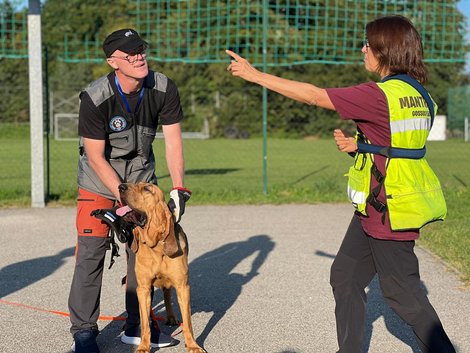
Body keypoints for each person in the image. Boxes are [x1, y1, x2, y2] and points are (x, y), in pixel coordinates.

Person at [226, 15, 455, 353]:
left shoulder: (379, 94)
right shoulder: (419, 94)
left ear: (384, 50)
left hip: (388, 209)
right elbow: (401, 147)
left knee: (401, 293)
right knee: (346, 275)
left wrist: (253, 74)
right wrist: (360, 146)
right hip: (383, 202)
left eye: (367, 44)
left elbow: (312, 96)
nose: (362, 50)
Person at [69, 28, 192, 353]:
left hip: (139, 179)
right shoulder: (95, 98)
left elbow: (174, 141)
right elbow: (95, 157)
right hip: (98, 180)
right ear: (113, 62)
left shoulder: (163, 88)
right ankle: (83, 332)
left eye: (141, 50)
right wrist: (122, 205)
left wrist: (178, 187)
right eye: (130, 53)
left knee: (143, 249)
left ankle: (138, 324)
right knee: (91, 252)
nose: (139, 56)